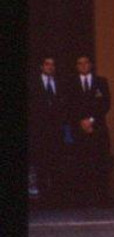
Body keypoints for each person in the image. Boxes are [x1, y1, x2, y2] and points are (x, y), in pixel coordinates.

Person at [64, 55, 113, 206]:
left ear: (91, 65)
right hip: (79, 129)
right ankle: (83, 199)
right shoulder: (70, 84)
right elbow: (68, 105)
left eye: (86, 63)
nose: (83, 65)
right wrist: (81, 121)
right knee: (81, 163)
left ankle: (102, 198)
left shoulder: (101, 82)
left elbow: (106, 104)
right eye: (80, 63)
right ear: (76, 66)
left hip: (97, 128)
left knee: (100, 162)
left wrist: (91, 120)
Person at [28, 56, 68, 206]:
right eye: (47, 64)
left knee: (56, 162)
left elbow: (64, 106)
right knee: (41, 163)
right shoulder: (33, 84)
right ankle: (42, 196)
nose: (50, 67)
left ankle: (55, 197)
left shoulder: (60, 83)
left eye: (53, 64)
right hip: (39, 131)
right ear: (41, 66)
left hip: (56, 131)